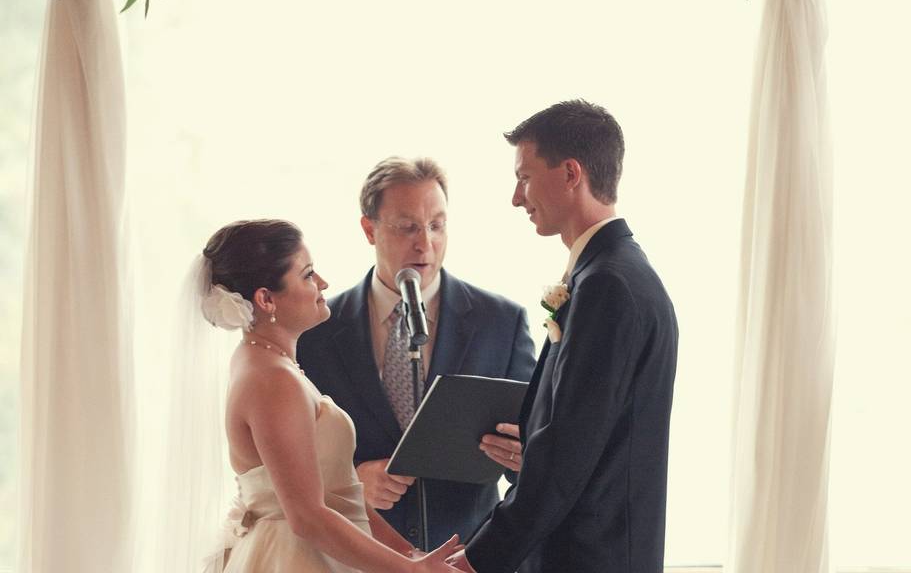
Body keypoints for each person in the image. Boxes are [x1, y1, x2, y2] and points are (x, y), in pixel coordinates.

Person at [449, 101, 679, 572]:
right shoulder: (613, 273)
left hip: (590, 557)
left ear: (571, 173)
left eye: (525, 176)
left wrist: (476, 561)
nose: (517, 197)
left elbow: (569, 452)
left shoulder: (608, 286)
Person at [298, 157, 537, 550]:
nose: (425, 243)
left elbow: (533, 452)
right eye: (407, 227)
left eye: (436, 225)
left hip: (467, 557)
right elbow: (289, 459)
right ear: (368, 229)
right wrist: (351, 482)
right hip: (356, 555)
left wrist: (525, 455)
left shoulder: (502, 322)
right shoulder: (316, 331)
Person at [197, 219, 461, 572]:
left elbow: (340, 493)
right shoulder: (272, 379)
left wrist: (409, 553)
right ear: (265, 299)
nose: (323, 284)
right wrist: (412, 571)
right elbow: (308, 517)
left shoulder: (271, 363)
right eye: (307, 275)